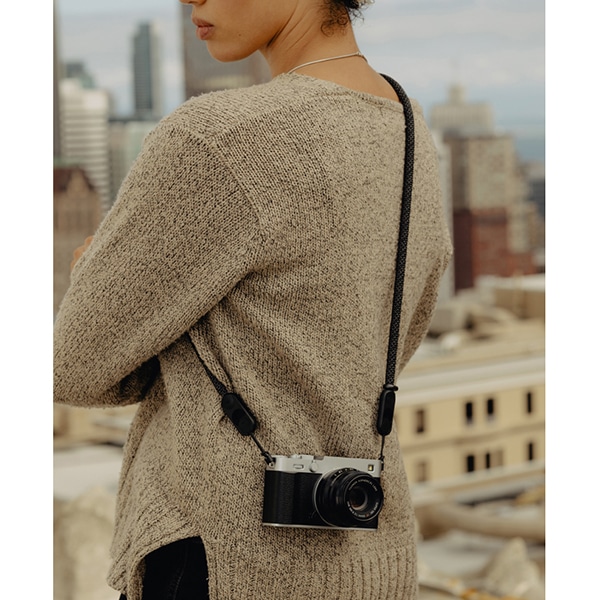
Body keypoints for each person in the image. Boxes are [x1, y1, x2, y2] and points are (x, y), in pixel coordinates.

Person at [54, 0, 453, 598]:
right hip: (367, 561)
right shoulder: (406, 127)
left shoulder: (221, 138)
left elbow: (73, 367)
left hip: (220, 560)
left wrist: (100, 280)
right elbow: (383, 350)